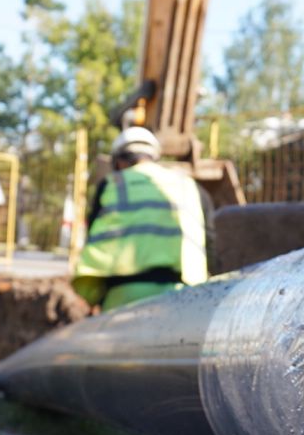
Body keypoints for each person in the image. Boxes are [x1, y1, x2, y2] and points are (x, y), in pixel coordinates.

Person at [72, 127, 211, 311]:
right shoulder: (189, 186)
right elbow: (211, 242)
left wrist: (92, 296)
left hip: (122, 294)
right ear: (154, 156)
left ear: (119, 161)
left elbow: (95, 237)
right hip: (183, 296)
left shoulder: (112, 184)